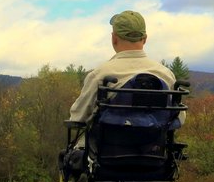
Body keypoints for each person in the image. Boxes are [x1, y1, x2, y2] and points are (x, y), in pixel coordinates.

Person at [70, 10, 185, 138]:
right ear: (145, 39)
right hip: (155, 153)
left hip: (105, 153)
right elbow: (179, 118)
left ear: (114, 38)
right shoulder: (165, 75)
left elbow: (77, 118)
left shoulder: (100, 75)